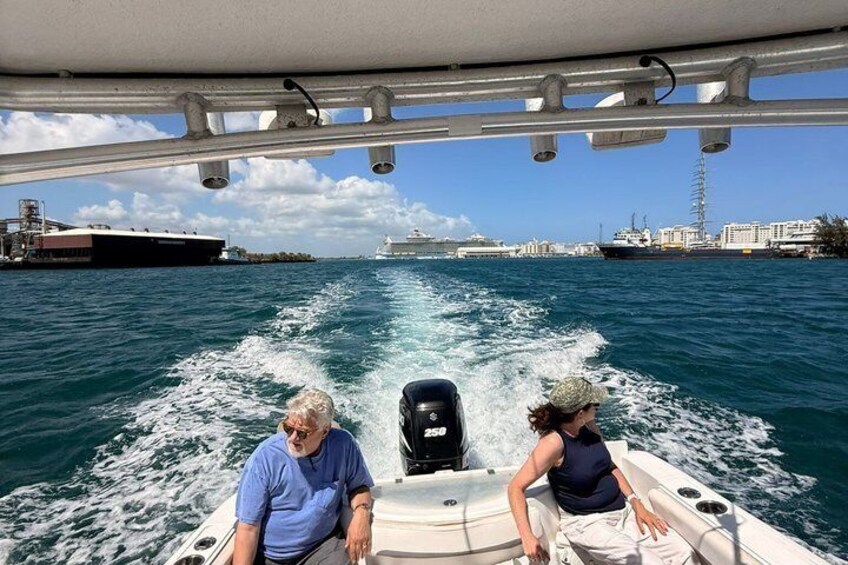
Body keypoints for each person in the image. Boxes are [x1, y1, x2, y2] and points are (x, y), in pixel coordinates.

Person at [507, 377, 699, 565]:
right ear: (580, 413)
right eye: (595, 405)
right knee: (649, 561)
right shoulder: (553, 443)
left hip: (623, 512)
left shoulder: (588, 427)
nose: (597, 408)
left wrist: (636, 502)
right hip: (587, 524)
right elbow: (515, 487)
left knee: (683, 553)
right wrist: (527, 536)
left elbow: (609, 466)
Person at [233, 389, 375, 565]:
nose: (292, 438)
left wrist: (362, 514)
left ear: (325, 431)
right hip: (272, 557)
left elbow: (359, 487)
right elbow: (248, 528)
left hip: (321, 546)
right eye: (288, 429)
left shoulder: (343, 444)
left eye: (302, 433)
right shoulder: (264, 458)